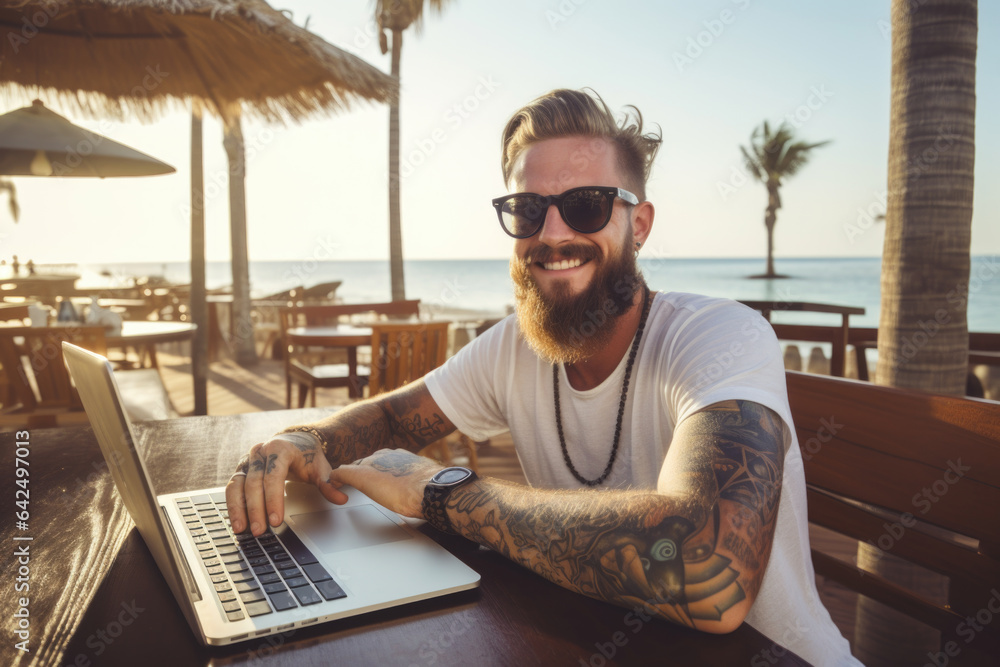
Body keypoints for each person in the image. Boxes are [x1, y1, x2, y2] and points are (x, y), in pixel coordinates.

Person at [226, 89, 858, 665]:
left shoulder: (720, 337)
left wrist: (442, 494)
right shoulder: (513, 348)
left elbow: (703, 569)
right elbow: (395, 417)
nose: (553, 234)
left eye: (586, 206)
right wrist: (312, 440)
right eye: (528, 210)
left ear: (638, 224)